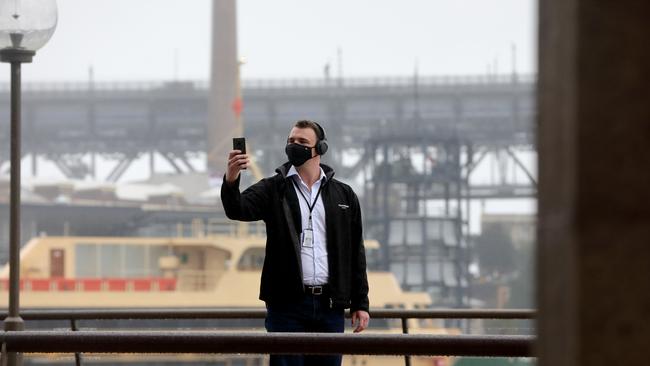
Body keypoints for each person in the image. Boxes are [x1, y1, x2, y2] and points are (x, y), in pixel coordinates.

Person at [221, 120, 370, 366]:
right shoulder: (273, 189)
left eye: (302, 142)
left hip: (330, 307)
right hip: (286, 306)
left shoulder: (344, 196)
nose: (294, 146)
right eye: (291, 141)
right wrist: (231, 179)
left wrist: (360, 303)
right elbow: (237, 209)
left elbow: (355, 252)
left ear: (319, 148)